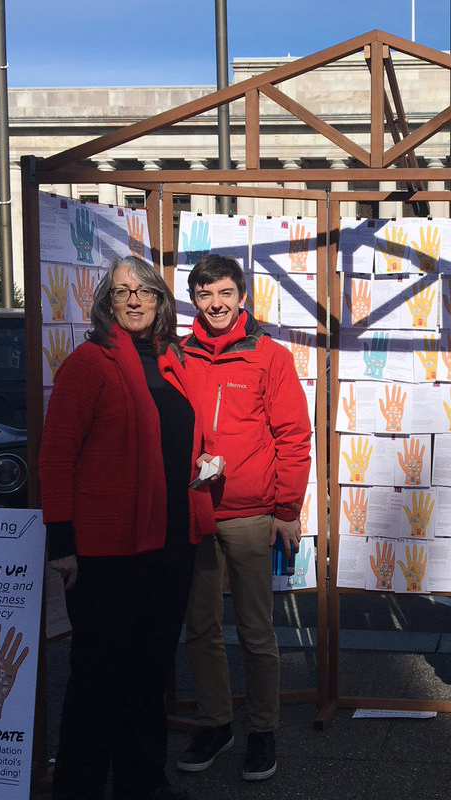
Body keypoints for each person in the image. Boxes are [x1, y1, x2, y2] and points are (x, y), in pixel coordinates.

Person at [40, 255, 215, 800]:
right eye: (122, 291)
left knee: (150, 669)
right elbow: (56, 457)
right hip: (107, 550)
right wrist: (61, 544)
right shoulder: (89, 363)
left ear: (161, 301)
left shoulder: (172, 361)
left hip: (170, 543)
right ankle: (79, 786)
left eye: (144, 291)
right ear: (107, 302)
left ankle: (142, 783)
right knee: (98, 676)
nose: (134, 300)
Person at [176, 254, 312, 781]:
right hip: (195, 509)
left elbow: (293, 436)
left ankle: (262, 730)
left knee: (256, 630)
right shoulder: (177, 354)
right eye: (205, 294)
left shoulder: (268, 356)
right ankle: (216, 724)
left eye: (225, 293)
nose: (216, 304)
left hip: (251, 514)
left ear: (242, 298)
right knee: (201, 628)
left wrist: (287, 509)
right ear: (195, 299)